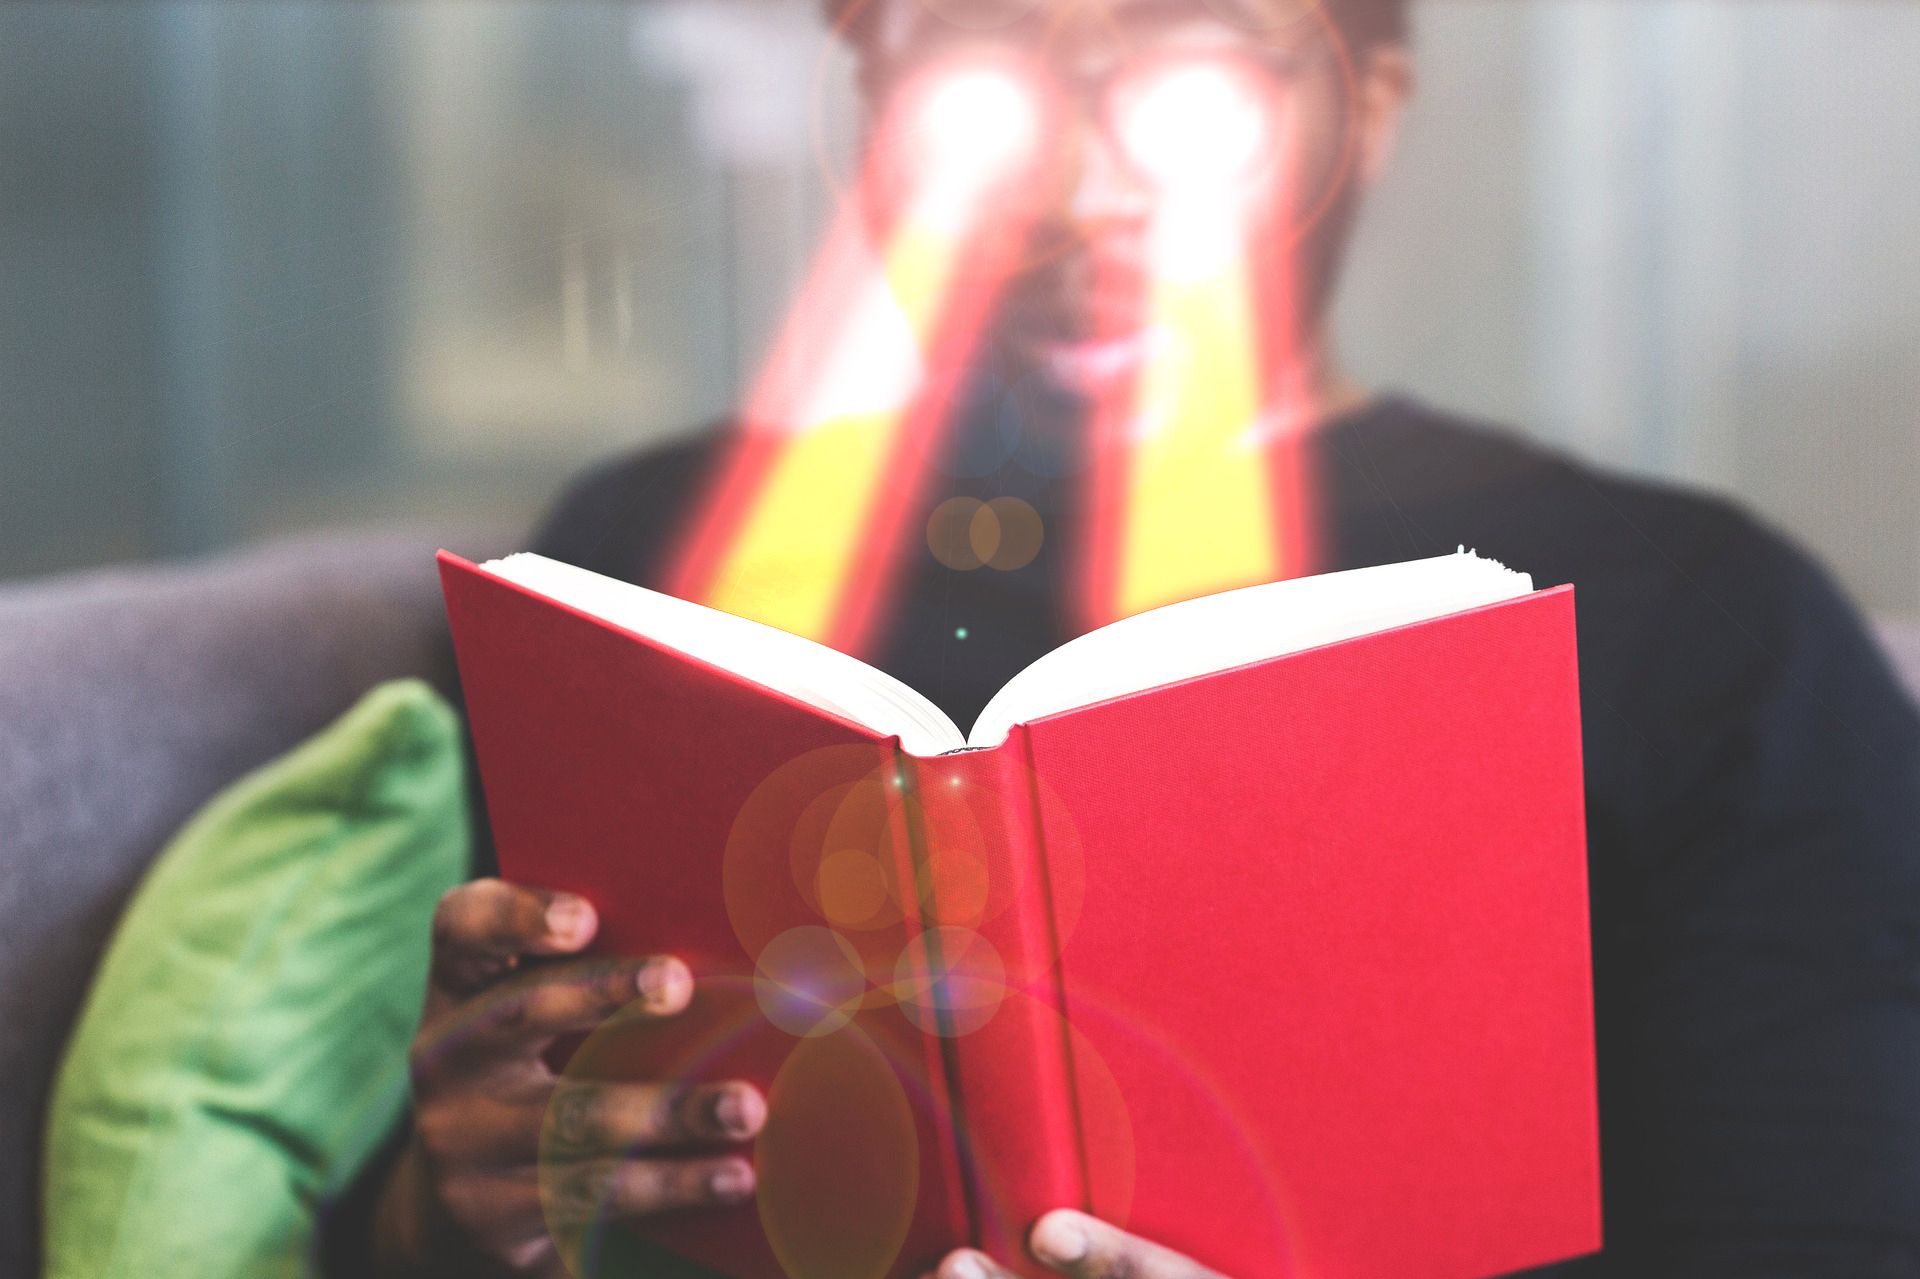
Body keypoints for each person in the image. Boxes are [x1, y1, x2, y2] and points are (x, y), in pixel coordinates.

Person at [355, 0, 1920, 1274]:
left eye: (1198, 76)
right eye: (978, 79)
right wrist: (459, 1212)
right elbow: (444, 1192)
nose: (1086, 195)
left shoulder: (1714, 632)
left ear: (1365, 103)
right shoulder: (627, 574)